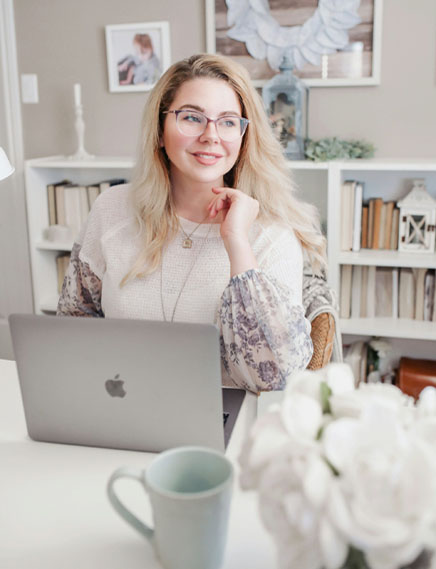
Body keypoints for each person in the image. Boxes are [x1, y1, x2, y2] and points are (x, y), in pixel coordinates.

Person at [58, 53, 326, 393]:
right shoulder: (111, 209)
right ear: (159, 130)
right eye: (191, 117)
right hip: (120, 409)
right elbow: (74, 321)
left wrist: (236, 242)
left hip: (226, 425)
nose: (211, 135)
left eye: (228, 122)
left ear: (244, 137)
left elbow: (272, 376)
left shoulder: (272, 233)